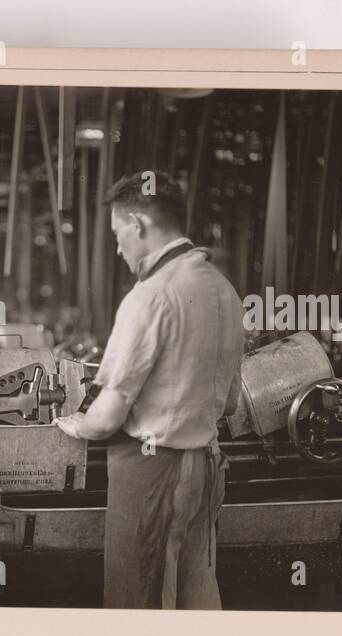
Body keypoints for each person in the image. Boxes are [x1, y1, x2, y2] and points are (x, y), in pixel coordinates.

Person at [57, 171, 244, 609]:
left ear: (138, 224)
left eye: (118, 233)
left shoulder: (152, 295)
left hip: (154, 471)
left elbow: (107, 418)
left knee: (140, 606)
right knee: (197, 598)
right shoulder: (227, 292)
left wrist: (76, 424)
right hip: (207, 467)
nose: (118, 247)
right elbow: (232, 402)